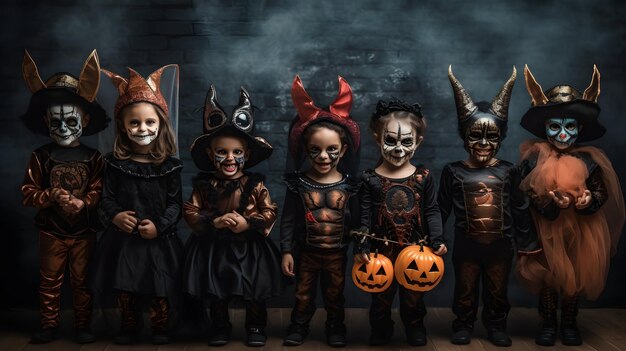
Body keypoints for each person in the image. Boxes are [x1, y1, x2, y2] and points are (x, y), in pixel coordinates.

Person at [517, 65, 625, 346]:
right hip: (546, 230)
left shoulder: (590, 161)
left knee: (575, 276)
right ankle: (549, 322)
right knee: (548, 278)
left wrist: (589, 201)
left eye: (570, 126)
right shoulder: (533, 160)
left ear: (579, 129)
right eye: (555, 126)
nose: (562, 134)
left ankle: (569, 322)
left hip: (582, 230)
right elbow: (526, 196)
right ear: (545, 128)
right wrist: (549, 204)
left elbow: (601, 193)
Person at [439, 66, 537, 347]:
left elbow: (519, 207)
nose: (483, 143)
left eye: (491, 137)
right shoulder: (452, 170)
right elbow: (442, 207)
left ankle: (496, 326)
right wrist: (433, 236)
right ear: (464, 136)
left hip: (501, 245)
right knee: (465, 289)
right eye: (475, 136)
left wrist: (528, 242)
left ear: (501, 138)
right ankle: (463, 324)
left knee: (497, 290)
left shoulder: (508, 171)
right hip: (466, 245)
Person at [184, 85, 283, 347]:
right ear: (209, 154)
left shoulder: (256, 185)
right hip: (215, 247)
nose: (230, 158)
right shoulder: (205, 187)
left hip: (249, 246)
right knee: (217, 289)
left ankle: (255, 325)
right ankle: (220, 326)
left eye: (237, 152)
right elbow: (190, 210)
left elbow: (270, 210)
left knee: (253, 289)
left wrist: (248, 222)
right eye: (222, 152)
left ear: (247, 155)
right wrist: (212, 221)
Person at [20, 50, 108, 344]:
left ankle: (83, 325)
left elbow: (99, 189)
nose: (63, 129)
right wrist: (49, 194)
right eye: (55, 122)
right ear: (45, 120)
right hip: (51, 231)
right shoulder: (40, 155)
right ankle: (48, 324)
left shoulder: (94, 157)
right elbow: (27, 193)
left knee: (83, 282)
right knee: (49, 281)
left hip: (84, 230)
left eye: (70, 121)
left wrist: (85, 202)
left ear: (83, 118)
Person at [92, 65, 184, 345]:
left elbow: (175, 205)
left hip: (158, 239)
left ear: (160, 125)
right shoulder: (114, 164)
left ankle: (160, 326)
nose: (142, 128)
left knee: (160, 285)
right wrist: (116, 216)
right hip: (123, 240)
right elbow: (105, 198)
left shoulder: (169, 167)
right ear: (122, 126)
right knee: (125, 286)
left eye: (149, 123)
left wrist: (159, 225)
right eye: (134, 123)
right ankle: (128, 326)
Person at [355, 99, 447, 346]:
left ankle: (415, 326)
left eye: (406, 142)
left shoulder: (423, 177)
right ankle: (381, 328)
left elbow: (431, 210)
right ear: (377, 138)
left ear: (417, 141)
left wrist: (437, 238)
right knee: (381, 295)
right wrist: (361, 245)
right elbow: (363, 215)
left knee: (414, 294)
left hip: (415, 249)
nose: (398, 149)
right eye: (390, 140)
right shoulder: (369, 179)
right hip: (380, 250)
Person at [280, 75, 361, 347]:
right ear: (305, 149)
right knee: (303, 294)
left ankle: (335, 328)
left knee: (335, 293)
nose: (324, 156)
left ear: (343, 149)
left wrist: (361, 247)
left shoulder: (351, 186)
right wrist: (287, 251)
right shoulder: (298, 183)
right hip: (306, 252)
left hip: (337, 252)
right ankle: (298, 326)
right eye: (316, 150)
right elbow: (288, 220)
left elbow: (360, 220)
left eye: (331, 150)